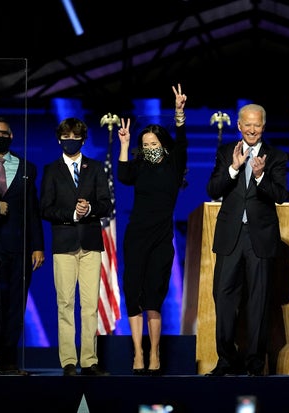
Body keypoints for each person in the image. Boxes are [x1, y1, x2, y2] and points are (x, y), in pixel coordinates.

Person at [205, 103, 288, 376]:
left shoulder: (275, 156)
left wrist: (261, 175)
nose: (252, 129)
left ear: (263, 126)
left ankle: (255, 363)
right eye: (247, 124)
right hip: (231, 237)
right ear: (239, 126)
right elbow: (213, 188)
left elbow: (280, 195)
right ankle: (227, 360)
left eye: (257, 125)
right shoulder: (225, 152)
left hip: (260, 238)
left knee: (259, 300)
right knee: (224, 297)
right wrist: (233, 168)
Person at [116, 84, 188, 375]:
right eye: (145, 146)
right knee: (133, 292)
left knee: (154, 296)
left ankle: (155, 351)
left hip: (161, 238)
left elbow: (182, 143)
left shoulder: (173, 165)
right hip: (136, 236)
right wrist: (124, 144)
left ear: (163, 145)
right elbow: (123, 176)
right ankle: (137, 353)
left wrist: (179, 113)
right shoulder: (139, 166)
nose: (149, 149)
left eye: (154, 145)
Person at [40, 117, 113, 376]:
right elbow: (45, 208)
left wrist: (90, 209)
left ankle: (90, 361)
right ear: (60, 139)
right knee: (65, 304)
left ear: (83, 139)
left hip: (91, 243)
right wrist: (72, 214)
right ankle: (69, 361)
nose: (70, 141)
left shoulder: (94, 168)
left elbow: (107, 204)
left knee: (90, 305)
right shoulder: (51, 170)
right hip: (64, 243)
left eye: (75, 137)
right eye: (66, 137)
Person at [0, 117, 45, 375]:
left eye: (5, 133)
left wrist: (38, 246)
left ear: (12, 136)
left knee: (14, 305)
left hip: (18, 247)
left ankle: (8, 360)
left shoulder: (27, 167)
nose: (0, 136)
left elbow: (33, 210)